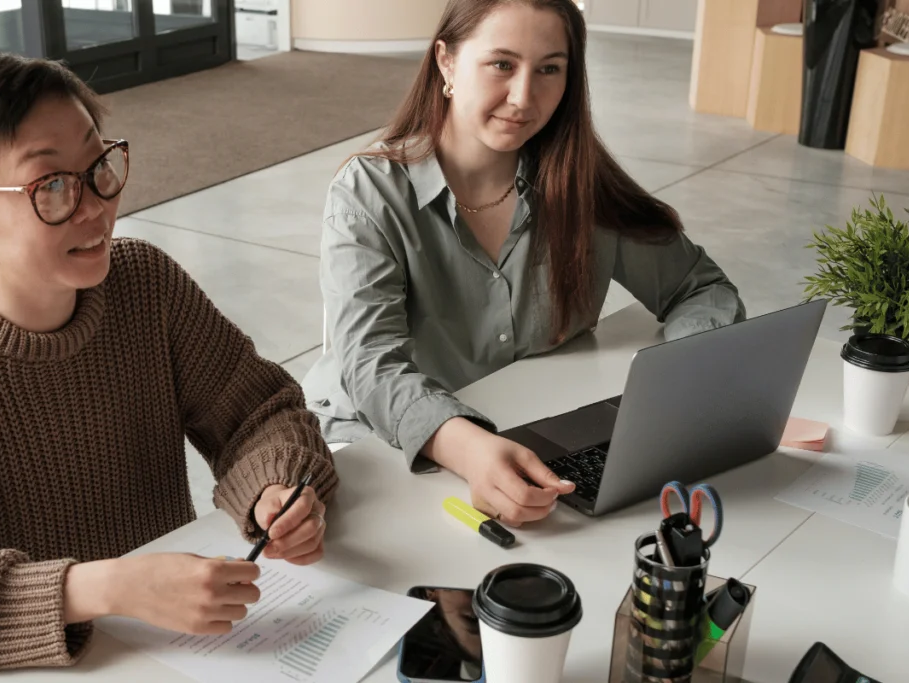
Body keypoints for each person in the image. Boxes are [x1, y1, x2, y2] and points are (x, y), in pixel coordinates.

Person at [0, 54, 337, 672]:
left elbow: (261, 412)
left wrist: (274, 488)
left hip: (186, 652)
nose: (93, 207)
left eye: (97, 167)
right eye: (50, 185)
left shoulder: (144, 283)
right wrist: (105, 588)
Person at [302, 0, 744, 527]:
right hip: (381, 443)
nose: (523, 97)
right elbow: (372, 367)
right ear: (446, 62)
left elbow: (699, 287)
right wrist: (469, 448)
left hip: (529, 433)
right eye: (502, 64)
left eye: (549, 69)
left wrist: (682, 381)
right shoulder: (369, 193)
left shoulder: (581, 180)